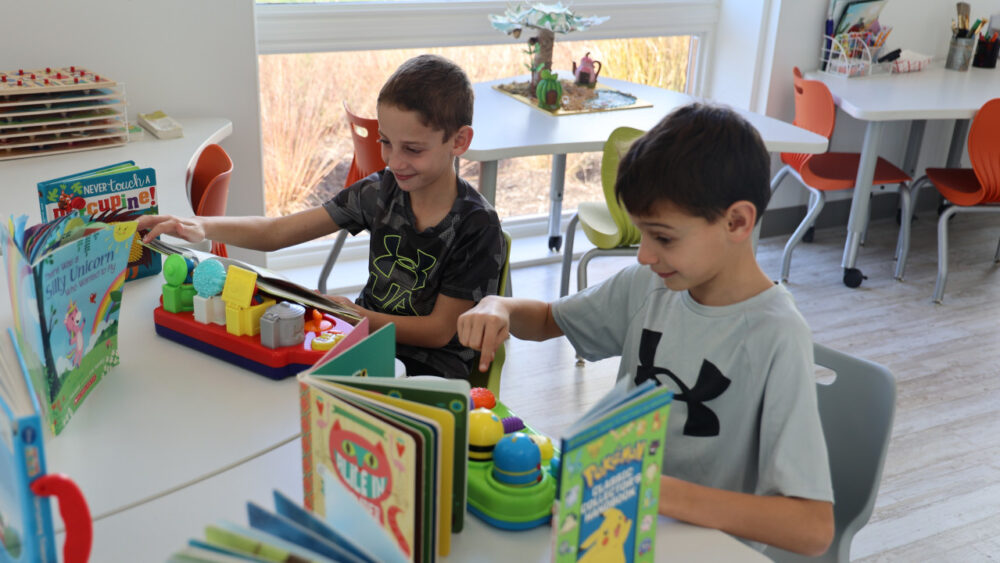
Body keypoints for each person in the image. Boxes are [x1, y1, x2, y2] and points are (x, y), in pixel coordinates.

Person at [457, 104, 835, 555]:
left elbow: (812, 528)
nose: (643, 255)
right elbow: (544, 321)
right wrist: (498, 305)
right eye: (643, 235)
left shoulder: (777, 335)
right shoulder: (650, 285)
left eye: (664, 238)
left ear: (737, 222)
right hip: (616, 530)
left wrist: (651, 489)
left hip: (699, 545)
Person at [141, 54, 506, 379]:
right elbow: (277, 231)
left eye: (412, 149)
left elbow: (439, 331)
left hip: (431, 367)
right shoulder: (380, 190)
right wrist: (199, 225)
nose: (394, 161)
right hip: (363, 337)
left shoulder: (477, 226)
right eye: (385, 142)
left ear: (458, 142)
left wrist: (350, 313)